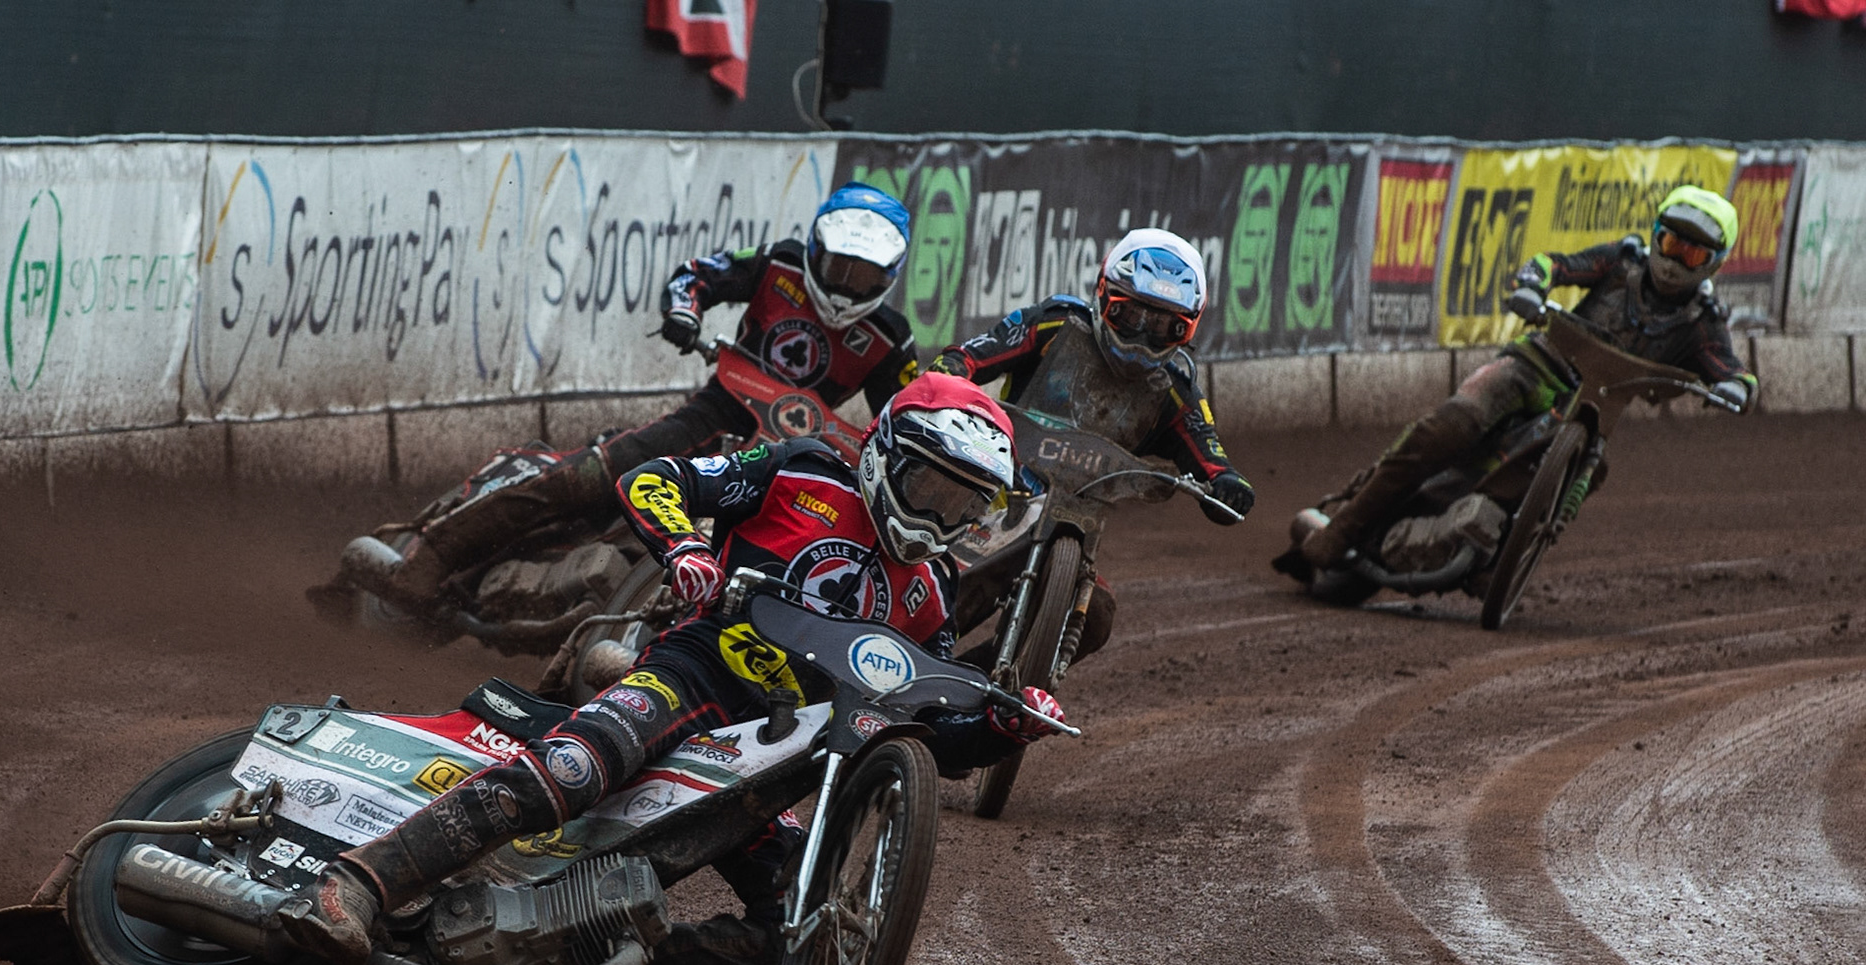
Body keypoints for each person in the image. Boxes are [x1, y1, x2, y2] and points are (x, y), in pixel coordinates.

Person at [281, 373, 1065, 965]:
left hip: (775, 753)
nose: (939, 513)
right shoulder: (802, 471)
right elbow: (658, 478)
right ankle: (355, 884)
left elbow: (935, 718)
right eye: (931, 487)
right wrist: (686, 548)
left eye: (963, 501)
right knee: (572, 767)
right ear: (888, 449)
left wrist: (1005, 722)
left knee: (812, 927)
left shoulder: (932, 590)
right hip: (693, 673)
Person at [335, 182, 922, 610]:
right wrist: (682, 314)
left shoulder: (890, 340)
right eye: (838, 265)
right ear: (816, 248)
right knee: (593, 476)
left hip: (784, 459)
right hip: (714, 413)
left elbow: (904, 419)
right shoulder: (777, 265)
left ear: (890, 276)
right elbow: (698, 273)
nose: (846, 284)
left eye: (864, 275)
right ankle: (432, 556)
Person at [1291, 185, 1758, 573]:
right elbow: (1555, 264)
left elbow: (1730, 368)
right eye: (1671, 242)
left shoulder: (1703, 321)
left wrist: (1735, 388)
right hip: (1537, 365)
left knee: (1591, 472)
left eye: (1691, 252)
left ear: (1713, 263)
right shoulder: (1622, 262)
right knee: (1454, 423)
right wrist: (1532, 287)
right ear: (1654, 236)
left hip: (1591, 411)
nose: (1675, 259)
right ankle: (1343, 530)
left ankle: (1505, 557)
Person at [925, 227, 1256, 657]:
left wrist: (1226, 481)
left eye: (1163, 326)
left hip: (1074, 524)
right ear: (1103, 295)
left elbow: (1209, 452)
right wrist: (951, 369)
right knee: (936, 582)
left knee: (1095, 614)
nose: (1142, 337)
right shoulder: (1056, 324)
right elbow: (971, 355)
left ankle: (990, 694)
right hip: (985, 494)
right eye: (1132, 316)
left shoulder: (1175, 387)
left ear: (1186, 330)